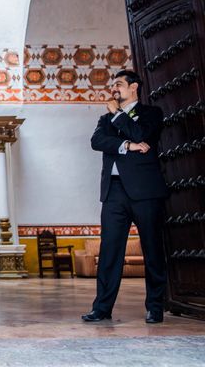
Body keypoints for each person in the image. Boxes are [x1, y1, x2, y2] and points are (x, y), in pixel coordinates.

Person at [82, 70, 168, 324]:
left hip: (146, 192)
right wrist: (127, 146)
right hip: (113, 192)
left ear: (134, 87)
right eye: (113, 85)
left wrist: (118, 115)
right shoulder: (104, 119)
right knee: (110, 251)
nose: (114, 89)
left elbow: (141, 133)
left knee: (152, 248)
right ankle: (102, 308)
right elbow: (97, 141)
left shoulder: (152, 113)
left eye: (118, 84)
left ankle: (155, 307)